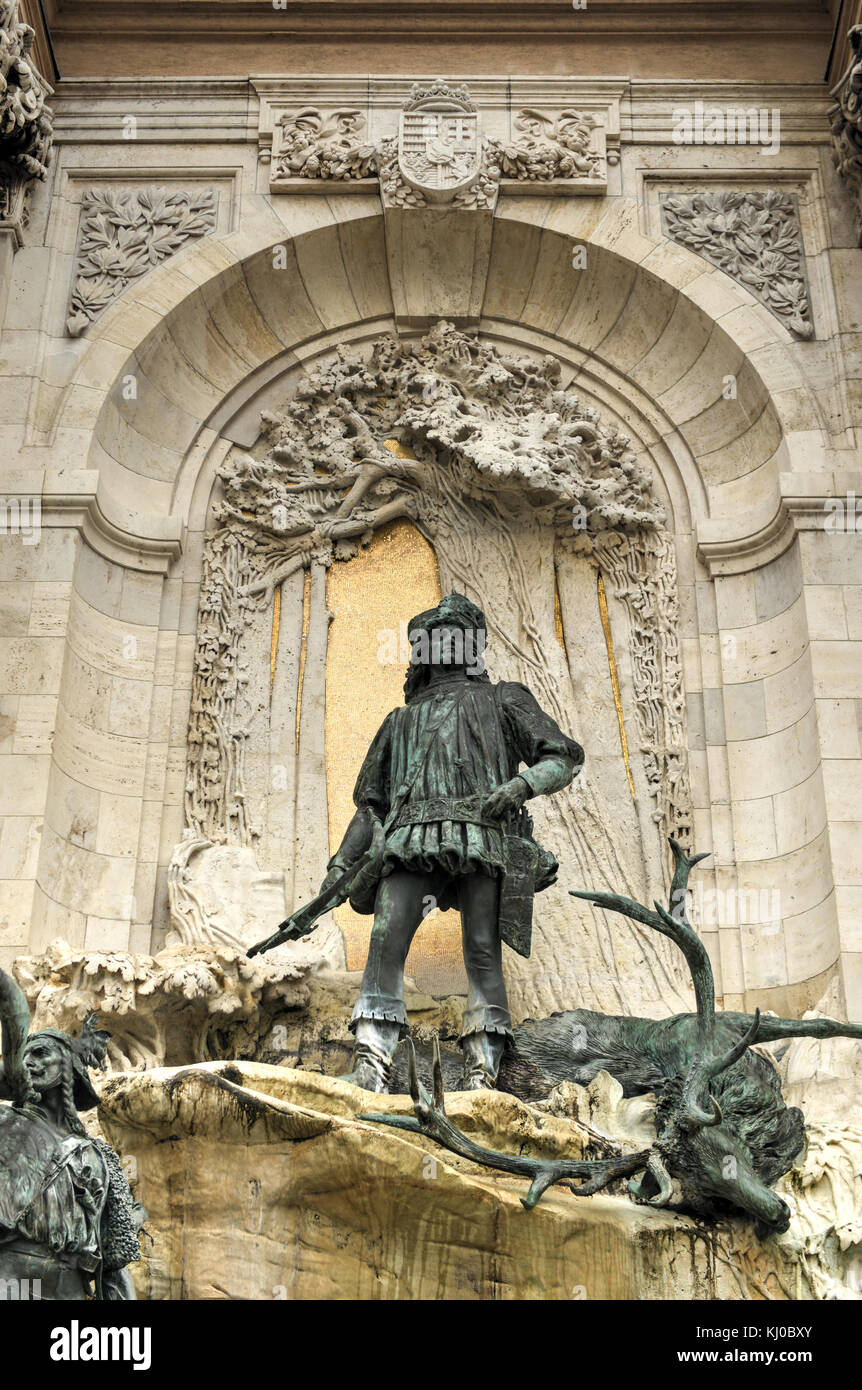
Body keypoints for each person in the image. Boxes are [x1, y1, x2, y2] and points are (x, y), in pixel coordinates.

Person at [326, 591, 583, 1093]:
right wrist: (340, 865)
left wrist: (519, 787)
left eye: (455, 634)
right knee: (386, 935)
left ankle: (483, 1064)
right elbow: (371, 806)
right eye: (434, 636)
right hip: (408, 837)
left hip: (480, 834)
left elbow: (562, 757)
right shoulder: (398, 722)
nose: (445, 642)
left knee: (482, 947)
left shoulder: (504, 698)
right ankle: (372, 1058)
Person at [0, 968, 145, 1299]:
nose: (29, 1064)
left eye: (39, 1055)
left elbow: (114, 1263)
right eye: (23, 1058)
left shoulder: (100, 1156)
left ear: (67, 1069)